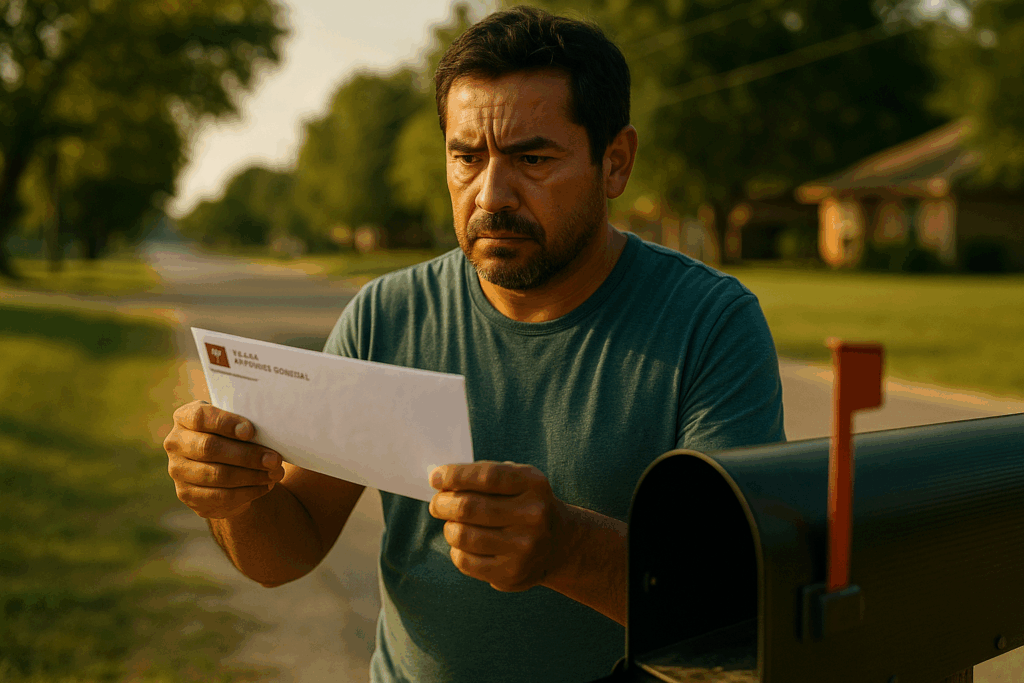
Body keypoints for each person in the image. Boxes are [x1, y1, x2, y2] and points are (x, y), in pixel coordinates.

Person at [163, 5, 786, 682]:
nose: (491, 194)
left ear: (616, 162)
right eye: (466, 157)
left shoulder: (711, 323)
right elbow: (287, 554)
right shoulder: (385, 316)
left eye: (533, 159)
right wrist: (234, 498)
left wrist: (565, 548)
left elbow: (733, 604)